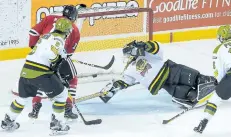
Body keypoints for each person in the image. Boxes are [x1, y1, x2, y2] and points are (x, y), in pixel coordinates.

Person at [1, 18, 72, 134]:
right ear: (67, 32)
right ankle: (58, 125)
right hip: (40, 73)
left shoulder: (46, 36)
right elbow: (48, 54)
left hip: (26, 71)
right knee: (62, 94)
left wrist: (58, 59)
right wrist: (58, 59)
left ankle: (8, 121)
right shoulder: (59, 40)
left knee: (22, 98)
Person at [99, 40, 217, 109]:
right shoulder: (129, 70)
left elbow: (157, 47)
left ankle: (211, 84)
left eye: (127, 53)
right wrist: (110, 91)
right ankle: (193, 96)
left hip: (172, 70)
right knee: (187, 94)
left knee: (197, 77)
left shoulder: (146, 54)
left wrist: (145, 45)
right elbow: (124, 82)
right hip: (163, 84)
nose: (126, 57)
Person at [27, 5, 85, 120]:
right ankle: (68, 108)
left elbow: (33, 32)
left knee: (41, 77)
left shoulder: (49, 18)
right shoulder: (75, 29)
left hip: (39, 56)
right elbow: (67, 54)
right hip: (57, 57)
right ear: (74, 17)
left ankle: (35, 108)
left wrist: (34, 47)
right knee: (72, 79)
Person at [194, 25, 231, 134]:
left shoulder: (219, 49)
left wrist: (220, 83)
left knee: (214, 99)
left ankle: (203, 122)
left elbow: (219, 71)